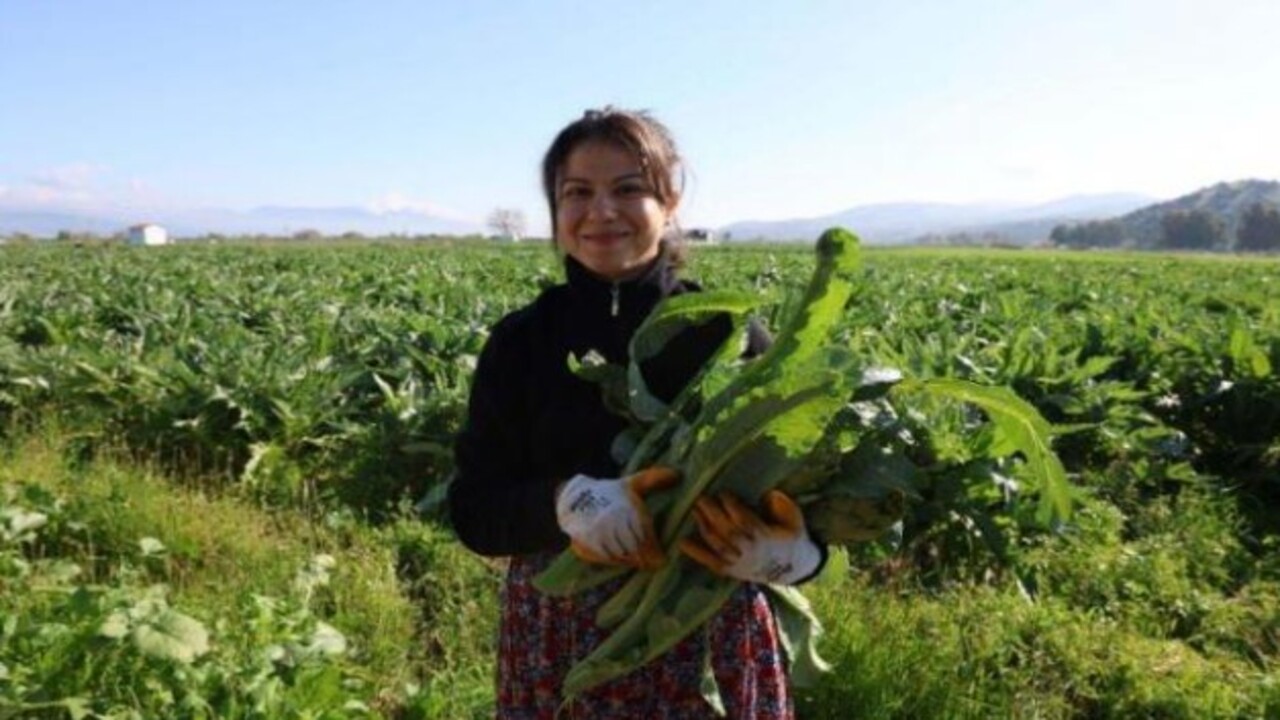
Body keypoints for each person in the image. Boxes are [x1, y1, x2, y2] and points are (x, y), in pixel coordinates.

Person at [448, 106, 827, 719]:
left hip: (708, 640)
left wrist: (796, 555)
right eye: (578, 193)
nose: (601, 212)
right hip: (561, 640)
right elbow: (474, 510)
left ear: (669, 201)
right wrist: (565, 503)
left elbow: (812, 499)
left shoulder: (727, 334)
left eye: (629, 189)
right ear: (555, 209)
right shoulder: (522, 343)